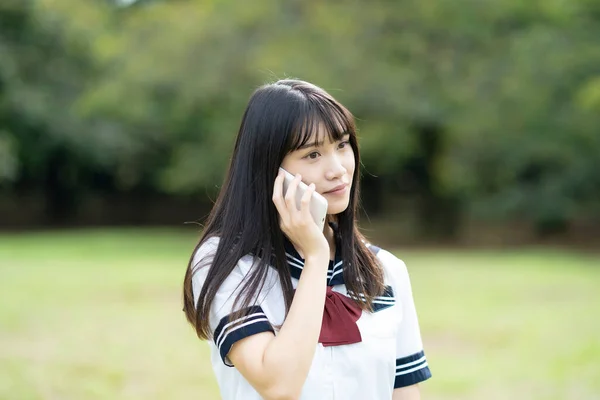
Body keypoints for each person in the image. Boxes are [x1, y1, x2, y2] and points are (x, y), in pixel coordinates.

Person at [182, 79, 431, 400]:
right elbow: (278, 385)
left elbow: (405, 394)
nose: (338, 169)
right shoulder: (228, 263)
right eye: (312, 154)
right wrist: (315, 257)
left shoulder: (384, 270)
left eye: (342, 145)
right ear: (270, 169)